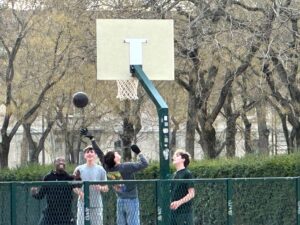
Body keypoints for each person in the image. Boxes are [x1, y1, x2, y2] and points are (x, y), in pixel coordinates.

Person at [80, 128, 149, 225]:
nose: (117, 153)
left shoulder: (107, 167)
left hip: (120, 200)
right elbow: (145, 164)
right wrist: (139, 153)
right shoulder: (126, 167)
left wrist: (92, 139)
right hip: (131, 200)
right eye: (115, 153)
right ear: (115, 159)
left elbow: (99, 153)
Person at [31, 157, 81, 225]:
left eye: (63, 161)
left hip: (66, 213)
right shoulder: (48, 177)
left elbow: (78, 185)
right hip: (50, 213)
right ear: (54, 163)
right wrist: (34, 192)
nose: (61, 162)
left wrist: (78, 178)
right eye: (58, 161)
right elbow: (40, 195)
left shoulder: (69, 177)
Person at [73, 145, 108, 225]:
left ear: (95, 155)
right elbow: (74, 187)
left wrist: (100, 187)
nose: (89, 154)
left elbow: (106, 188)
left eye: (92, 152)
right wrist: (81, 194)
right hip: (82, 204)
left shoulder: (101, 170)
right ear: (84, 155)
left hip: (96, 205)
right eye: (87, 152)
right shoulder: (79, 169)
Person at [170, 149, 195, 225]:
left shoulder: (187, 173)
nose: (173, 157)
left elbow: (191, 194)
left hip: (185, 213)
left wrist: (178, 203)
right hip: (173, 212)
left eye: (177, 155)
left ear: (183, 159)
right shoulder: (173, 175)